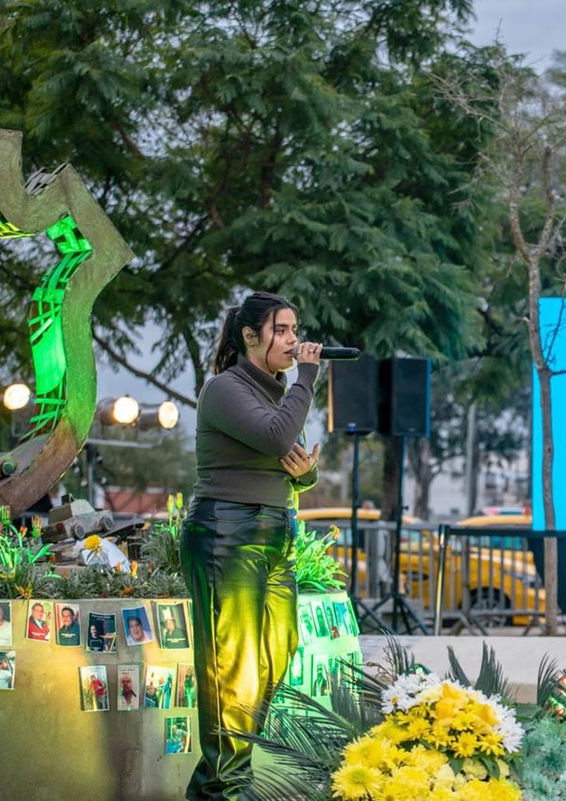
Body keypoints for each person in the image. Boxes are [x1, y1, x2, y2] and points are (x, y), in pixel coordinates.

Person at [181, 291, 322, 801]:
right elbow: (276, 439)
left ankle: (213, 785)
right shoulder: (226, 388)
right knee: (232, 668)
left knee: (273, 657)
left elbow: (292, 460)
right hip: (227, 534)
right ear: (250, 336)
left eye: (294, 330)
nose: (293, 340)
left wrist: (306, 477)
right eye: (282, 330)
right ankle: (225, 789)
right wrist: (306, 378)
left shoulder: (274, 393)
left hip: (273, 533)